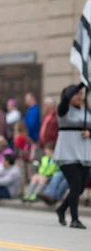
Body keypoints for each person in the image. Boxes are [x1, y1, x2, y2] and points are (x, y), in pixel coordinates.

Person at [53, 83, 91, 229]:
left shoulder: (86, 111)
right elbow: (66, 98)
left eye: (81, 94)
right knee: (75, 186)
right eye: (76, 93)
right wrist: (82, 82)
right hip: (67, 153)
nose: (79, 96)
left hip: (84, 153)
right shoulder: (63, 110)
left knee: (80, 188)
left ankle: (61, 209)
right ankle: (75, 219)